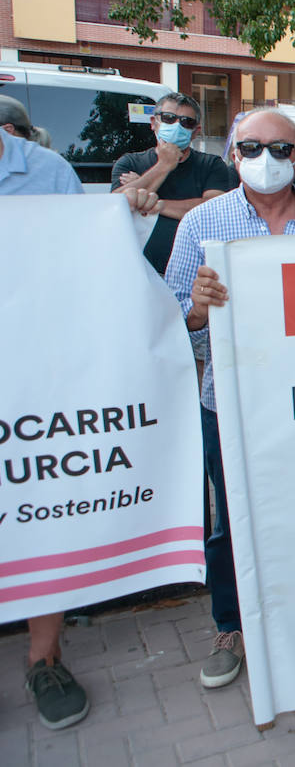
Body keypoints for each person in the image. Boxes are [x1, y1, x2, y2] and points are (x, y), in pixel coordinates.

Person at [164, 108, 295, 691]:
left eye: (281, 150)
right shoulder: (202, 225)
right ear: (233, 155)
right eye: (253, 148)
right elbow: (172, 325)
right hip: (231, 404)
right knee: (230, 521)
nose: (267, 160)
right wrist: (198, 309)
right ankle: (231, 626)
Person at [2, 95, 160, 730]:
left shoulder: (44, 170)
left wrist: (131, 213)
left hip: (36, 369)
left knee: (42, 501)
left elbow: (86, 260)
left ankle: (45, 657)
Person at [111, 92, 234, 274]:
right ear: (154, 123)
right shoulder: (130, 163)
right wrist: (164, 166)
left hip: (193, 271)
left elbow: (212, 210)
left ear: (195, 132)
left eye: (186, 122)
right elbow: (118, 208)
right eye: (168, 118)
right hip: (140, 270)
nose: (177, 126)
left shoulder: (212, 165)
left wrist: (154, 204)